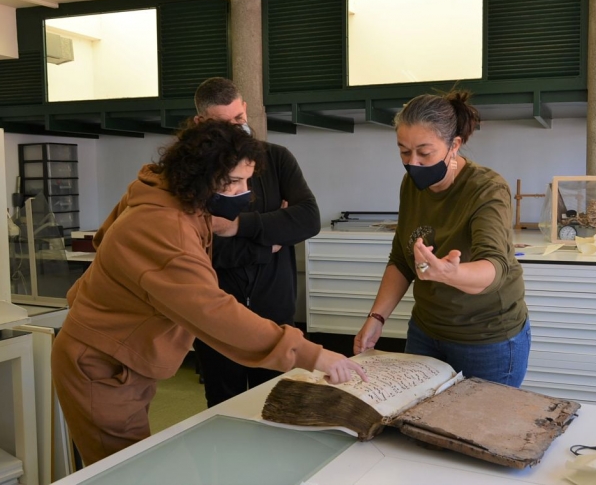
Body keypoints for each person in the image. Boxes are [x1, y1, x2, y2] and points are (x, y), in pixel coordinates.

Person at [51, 120, 366, 466]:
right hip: (102, 360)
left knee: (132, 461)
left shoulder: (168, 196)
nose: (245, 194)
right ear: (202, 175)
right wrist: (312, 355)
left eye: (248, 181)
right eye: (233, 183)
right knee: (123, 469)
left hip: (125, 355)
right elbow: (213, 310)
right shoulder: (165, 226)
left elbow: (103, 238)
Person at [353, 90, 530, 387]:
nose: (413, 163)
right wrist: (377, 317)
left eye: (425, 152)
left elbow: (495, 267)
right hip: (426, 332)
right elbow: (401, 258)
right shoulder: (412, 184)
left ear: (454, 145)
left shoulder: (486, 189)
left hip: (487, 339)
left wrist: (452, 273)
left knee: (476, 428)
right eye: (404, 151)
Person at [191, 77, 322, 406]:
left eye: (239, 120)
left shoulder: (277, 159)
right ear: (200, 124)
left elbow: (308, 219)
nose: (235, 130)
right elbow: (201, 248)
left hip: (275, 311)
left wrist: (237, 226)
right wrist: (270, 241)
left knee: (278, 407)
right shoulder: (191, 174)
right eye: (223, 124)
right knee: (224, 411)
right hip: (218, 315)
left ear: (246, 109)